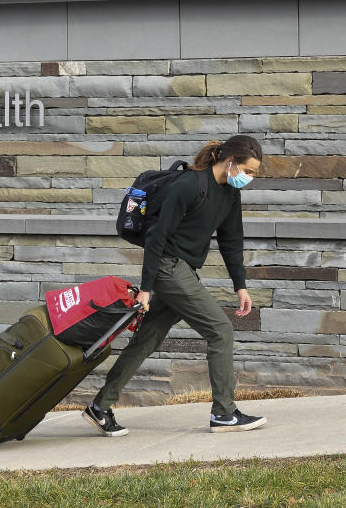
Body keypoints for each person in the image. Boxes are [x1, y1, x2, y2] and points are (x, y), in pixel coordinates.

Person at [83, 134, 267, 436]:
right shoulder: (189, 186)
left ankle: (100, 406)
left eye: (253, 173)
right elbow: (157, 237)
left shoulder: (229, 194)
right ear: (231, 161)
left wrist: (241, 286)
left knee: (148, 339)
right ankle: (224, 413)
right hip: (168, 269)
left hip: (181, 270)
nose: (249, 178)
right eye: (248, 171)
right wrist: (145, 289)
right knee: (220, 330)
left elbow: (231, 240)